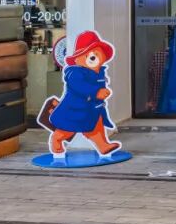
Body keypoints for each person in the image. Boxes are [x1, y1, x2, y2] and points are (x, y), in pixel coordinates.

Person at [46, 31, 121, 161]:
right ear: (77, 58)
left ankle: (103, 146)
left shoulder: (99, 72)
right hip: (76, 109)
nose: (93, 57)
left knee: (97, 126)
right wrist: (96, 92)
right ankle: (57, 139)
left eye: (97, 53)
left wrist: (103, 91)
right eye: (88, 54)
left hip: (93, 108)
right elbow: (78, 85)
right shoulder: (74, 72)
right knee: (68, 128)